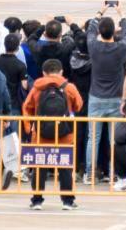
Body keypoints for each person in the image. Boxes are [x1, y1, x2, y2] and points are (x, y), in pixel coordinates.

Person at [23, 58, 83, 211]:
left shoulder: (37, 88)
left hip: (41, 135)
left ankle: (37, 200)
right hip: (64, 134)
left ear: (43, 72)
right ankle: (67, 201)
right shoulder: (68, 87)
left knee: (39, 167)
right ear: (61, 71)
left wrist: (28, 127)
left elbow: (27, 107)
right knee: (65, 168)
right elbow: (79, 105)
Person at [85, 6, 126, 181]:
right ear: (114, 32)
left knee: (93, 138)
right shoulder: (120, 48)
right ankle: (115, 172)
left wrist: (100, 12)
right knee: (115, 139)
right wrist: (122, 13)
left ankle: (90, 173)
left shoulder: (93, 46)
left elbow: (90, 28)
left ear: (100, 32)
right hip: (115, 97)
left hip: (96, 97)